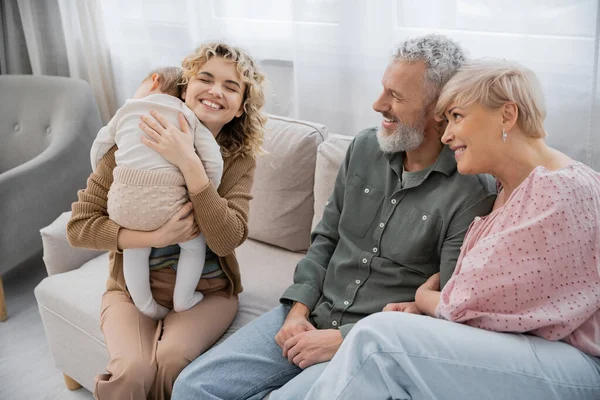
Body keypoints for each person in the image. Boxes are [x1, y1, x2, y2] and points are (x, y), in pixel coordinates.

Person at [172, 34, 497, 400]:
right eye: (382, 89)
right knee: (192, 387)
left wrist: (344, 341)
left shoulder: (473, 191)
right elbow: (325, 239)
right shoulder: (363, 149)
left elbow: (446, 311)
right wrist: (297, 311)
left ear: (440, 109)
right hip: (310, 313)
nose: (378, 104)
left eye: (397, 97)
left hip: (370, 346)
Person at [304, 59, 600, 400]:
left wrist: (423, 299)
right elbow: (487, 301)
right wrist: (430, 307)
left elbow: (464, 303)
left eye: (457, 117)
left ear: (507, 115)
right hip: (523, 351)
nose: (446, 135)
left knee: (379, 339)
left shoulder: (561, 190)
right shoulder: (506, 192)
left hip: (572, 364)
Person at [67, 42, 266, 399]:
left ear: (240, 108)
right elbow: (79, 227)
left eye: (231, 86)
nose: (215, 91)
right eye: (205, 78)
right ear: (185, 88)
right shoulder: (134, 140)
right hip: (130, 291)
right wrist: (155, 236)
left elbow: (225, 240)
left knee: (173, 361)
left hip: (208, 293)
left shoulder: (238, 161)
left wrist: (189, 162)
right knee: (132, 371)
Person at [90, 66, 224, 321]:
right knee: (194, 246)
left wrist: (105, 174)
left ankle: (145, 304)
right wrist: (209, 190)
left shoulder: (127, 109)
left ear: (154, 81)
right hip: (169, 204)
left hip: (122, 202)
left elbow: (99, 146)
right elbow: (213, 160)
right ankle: (183, 299)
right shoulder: (186, 114)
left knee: (134, 248)